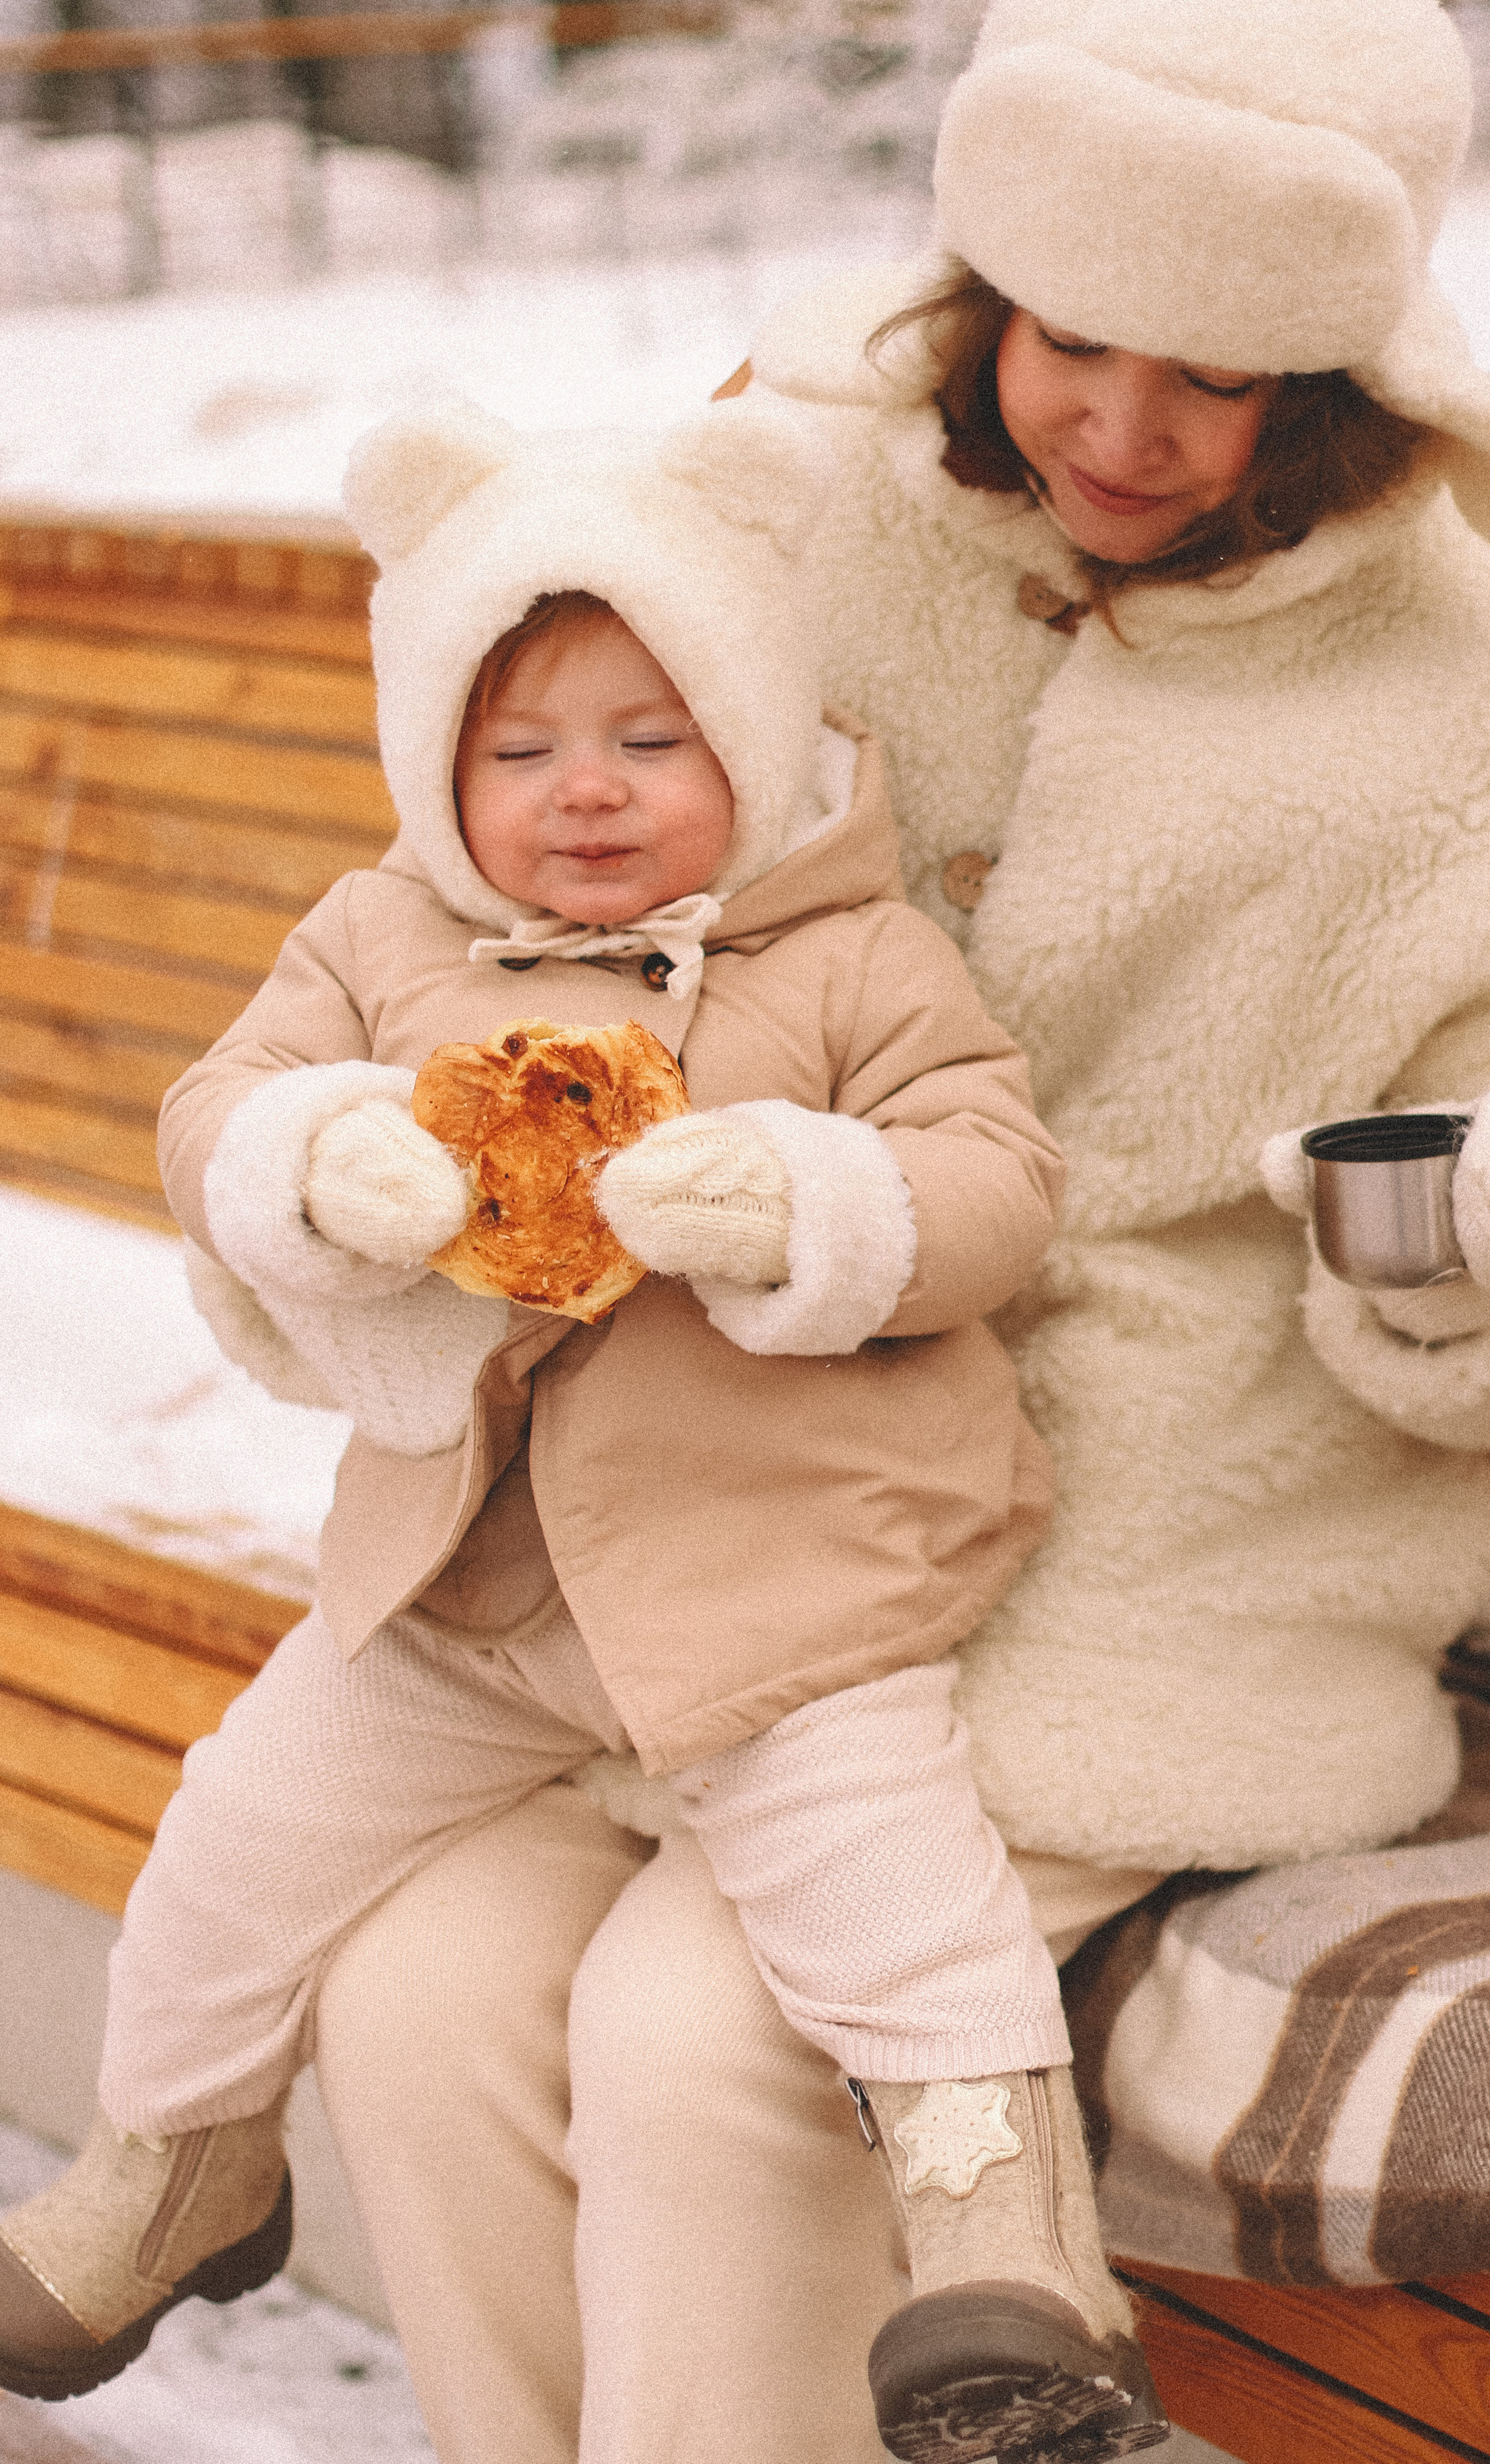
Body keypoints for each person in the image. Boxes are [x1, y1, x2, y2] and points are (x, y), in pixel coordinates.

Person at [52, 0, 1490, 2459]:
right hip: (674, 1513)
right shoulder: (789, 506)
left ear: (1351, 366)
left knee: (706, 2038)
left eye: (1218, 371)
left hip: (1155, 1565)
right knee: (408, 1984)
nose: (1126, 428)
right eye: (1070, 339)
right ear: (980, 287)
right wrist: (358, 1186)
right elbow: (459, 906)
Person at [0, 399, 1172, 2459]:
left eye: (653, 740)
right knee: (238, 1841)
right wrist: (315, 1157)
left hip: (778, 1591)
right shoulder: (380, 943)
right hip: (467, 1588)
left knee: (894, 1897)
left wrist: (813, 1203)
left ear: (749, 734)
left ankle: (1011, 2256)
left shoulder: (851, 959)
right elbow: (209, 1120)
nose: (588, 797)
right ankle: (170, 2165)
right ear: (439, 770)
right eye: (521, 751)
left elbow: (994, 1183)